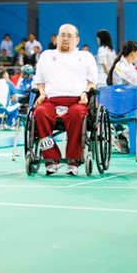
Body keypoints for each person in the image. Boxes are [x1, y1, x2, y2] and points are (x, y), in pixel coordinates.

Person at [33, 23, 98, 176]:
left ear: (77, 39)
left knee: (78, 114)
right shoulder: (46, 56)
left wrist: (85, 93)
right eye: (62, 35)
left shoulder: (85, 57)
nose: (65, 39)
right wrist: (42, 93)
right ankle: (51, 158)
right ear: (57, 38)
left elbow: (92, 82)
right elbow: (40, 82)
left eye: (69, 36)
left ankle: (73, 160)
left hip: (76, 100)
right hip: (51, 100)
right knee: (39, 113)